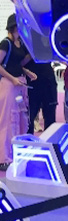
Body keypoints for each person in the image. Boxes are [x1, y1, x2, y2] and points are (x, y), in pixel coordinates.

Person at [0, 15, 36, 171]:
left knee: (21, 118)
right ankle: (3, 157)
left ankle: (15, 153)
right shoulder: (6, 43)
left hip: (19, 84)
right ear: (14, 26)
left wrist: (27, 72)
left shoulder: (19, 43)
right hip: (9, 85)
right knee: (7, 120)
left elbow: (16, 64)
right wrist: (12, 79)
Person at [25, 61, 57, 134]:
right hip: (31, 80)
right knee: (29, 117)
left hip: (48, 80)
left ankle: (50, 139)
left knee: (50, 116)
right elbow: (18, 63)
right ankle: (28, 139)